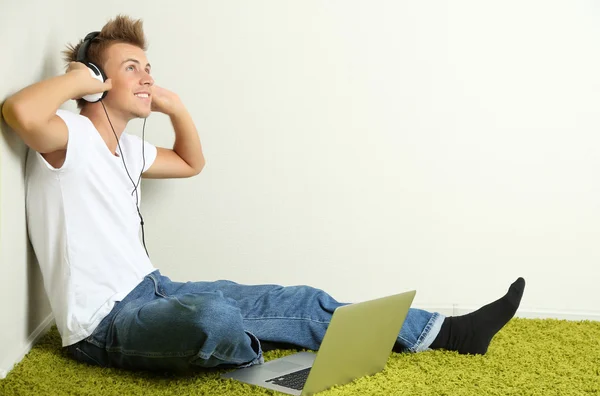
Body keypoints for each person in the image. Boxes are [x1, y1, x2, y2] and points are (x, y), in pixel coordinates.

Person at [1, 15, 526, 373]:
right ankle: (252, 355)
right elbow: (18, 113)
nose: (147, 78)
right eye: (130, 68)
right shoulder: (68, 133)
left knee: (297, 299)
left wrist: (176, 107)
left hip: (153, 288)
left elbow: (190, 163)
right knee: (214, 316)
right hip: (102, 326)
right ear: (95, 81)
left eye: (149, 67)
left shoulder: (126, 147)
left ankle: (450, 332)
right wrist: (78, 77)